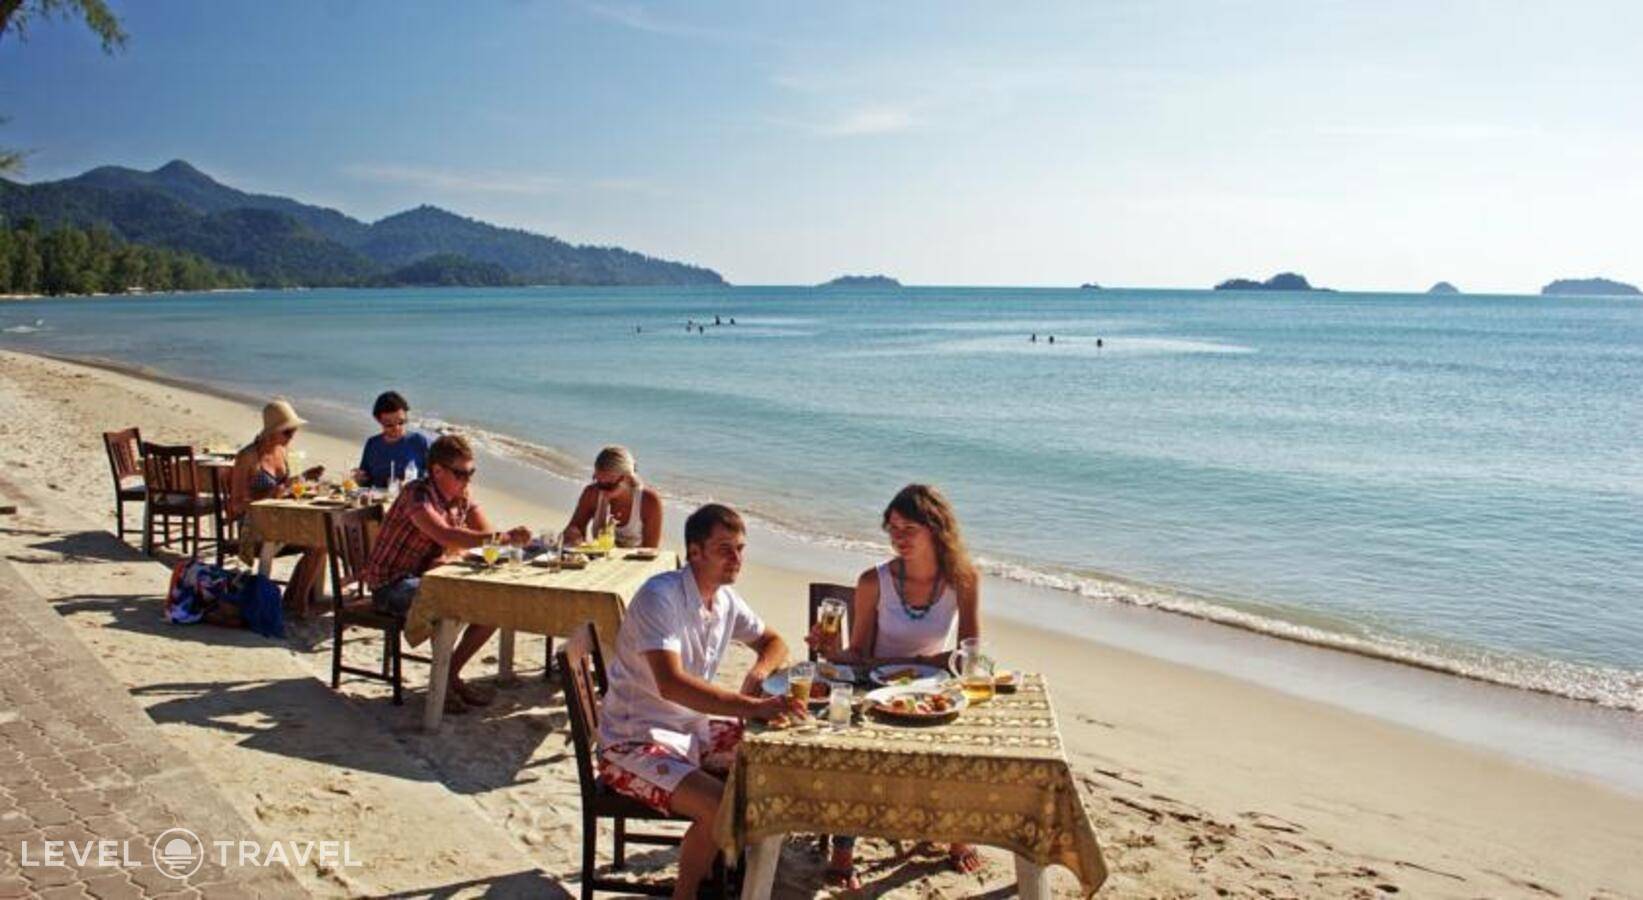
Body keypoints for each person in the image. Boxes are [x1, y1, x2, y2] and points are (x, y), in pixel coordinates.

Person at [597, 504, 799, 899]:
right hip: (631, 742)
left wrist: (759, 673)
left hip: (690, 729)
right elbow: (671, 685)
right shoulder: (661, 597)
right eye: (725, 549)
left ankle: (727, 868)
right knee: (720, 805)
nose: (736, 558)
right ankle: (686, 892)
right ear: (695, 552)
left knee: (774, 755)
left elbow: (775, 641)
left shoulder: (724, 600)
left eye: (740, 548)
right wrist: (752, 706)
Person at [808, 483, 984, 886]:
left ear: (935, 528)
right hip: (876, 688)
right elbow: (859, 653)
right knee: (857, 749)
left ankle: (958, 836)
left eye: (908, 529)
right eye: (892, 529)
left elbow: (969, 655)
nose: (898, 538)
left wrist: (920, 665)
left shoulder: (963, 578)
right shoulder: (874, 581)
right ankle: (843, 851)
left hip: (932, 691)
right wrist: (830, 651)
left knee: (963, 743)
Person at [361, 433, 531, 713]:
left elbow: (483, 533)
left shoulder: (460, 496)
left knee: (495, 607)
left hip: (428, 576)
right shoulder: (417, 494)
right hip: (391, 584)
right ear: (437, 471)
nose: (467, 480)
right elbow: (446, 534)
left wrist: (495, 540)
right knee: (451, 604)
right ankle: (444, 684)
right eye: (461, 474)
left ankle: (448, 675)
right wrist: (502, 538)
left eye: (471, 473)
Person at [229, 399, 327, 608]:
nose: (292, 436)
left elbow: (283, 486)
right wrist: (269, 495)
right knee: (318, 540)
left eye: (294, 431)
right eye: (287, 432)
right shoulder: (247, 457)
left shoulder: (282, 450)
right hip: (254, 528)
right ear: (272, 432)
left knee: (322, 540)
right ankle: (297, 599)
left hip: (282, 522)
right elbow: (235, 505)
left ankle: (297, 597)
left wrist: (303, 477)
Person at [561, 445, 663, 549]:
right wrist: (572, 533)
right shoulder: (592, 493)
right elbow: (575, 527)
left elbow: (651, 550)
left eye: (608, 485)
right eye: (598, 482)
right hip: (599, 557)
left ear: (627, 478)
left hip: (635, 559)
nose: (602, 490)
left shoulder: (648, 501)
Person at [351, 390, 432, 489]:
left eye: (401, 422)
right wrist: (360, 479)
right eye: (389, 425)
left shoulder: (419, 442)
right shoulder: (372, 444)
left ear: (406, 416)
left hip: (411, 497)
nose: (397, 428)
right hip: (378, 497)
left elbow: (435, 479)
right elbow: (365, 482)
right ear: (378, 420)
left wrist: (411, 485)